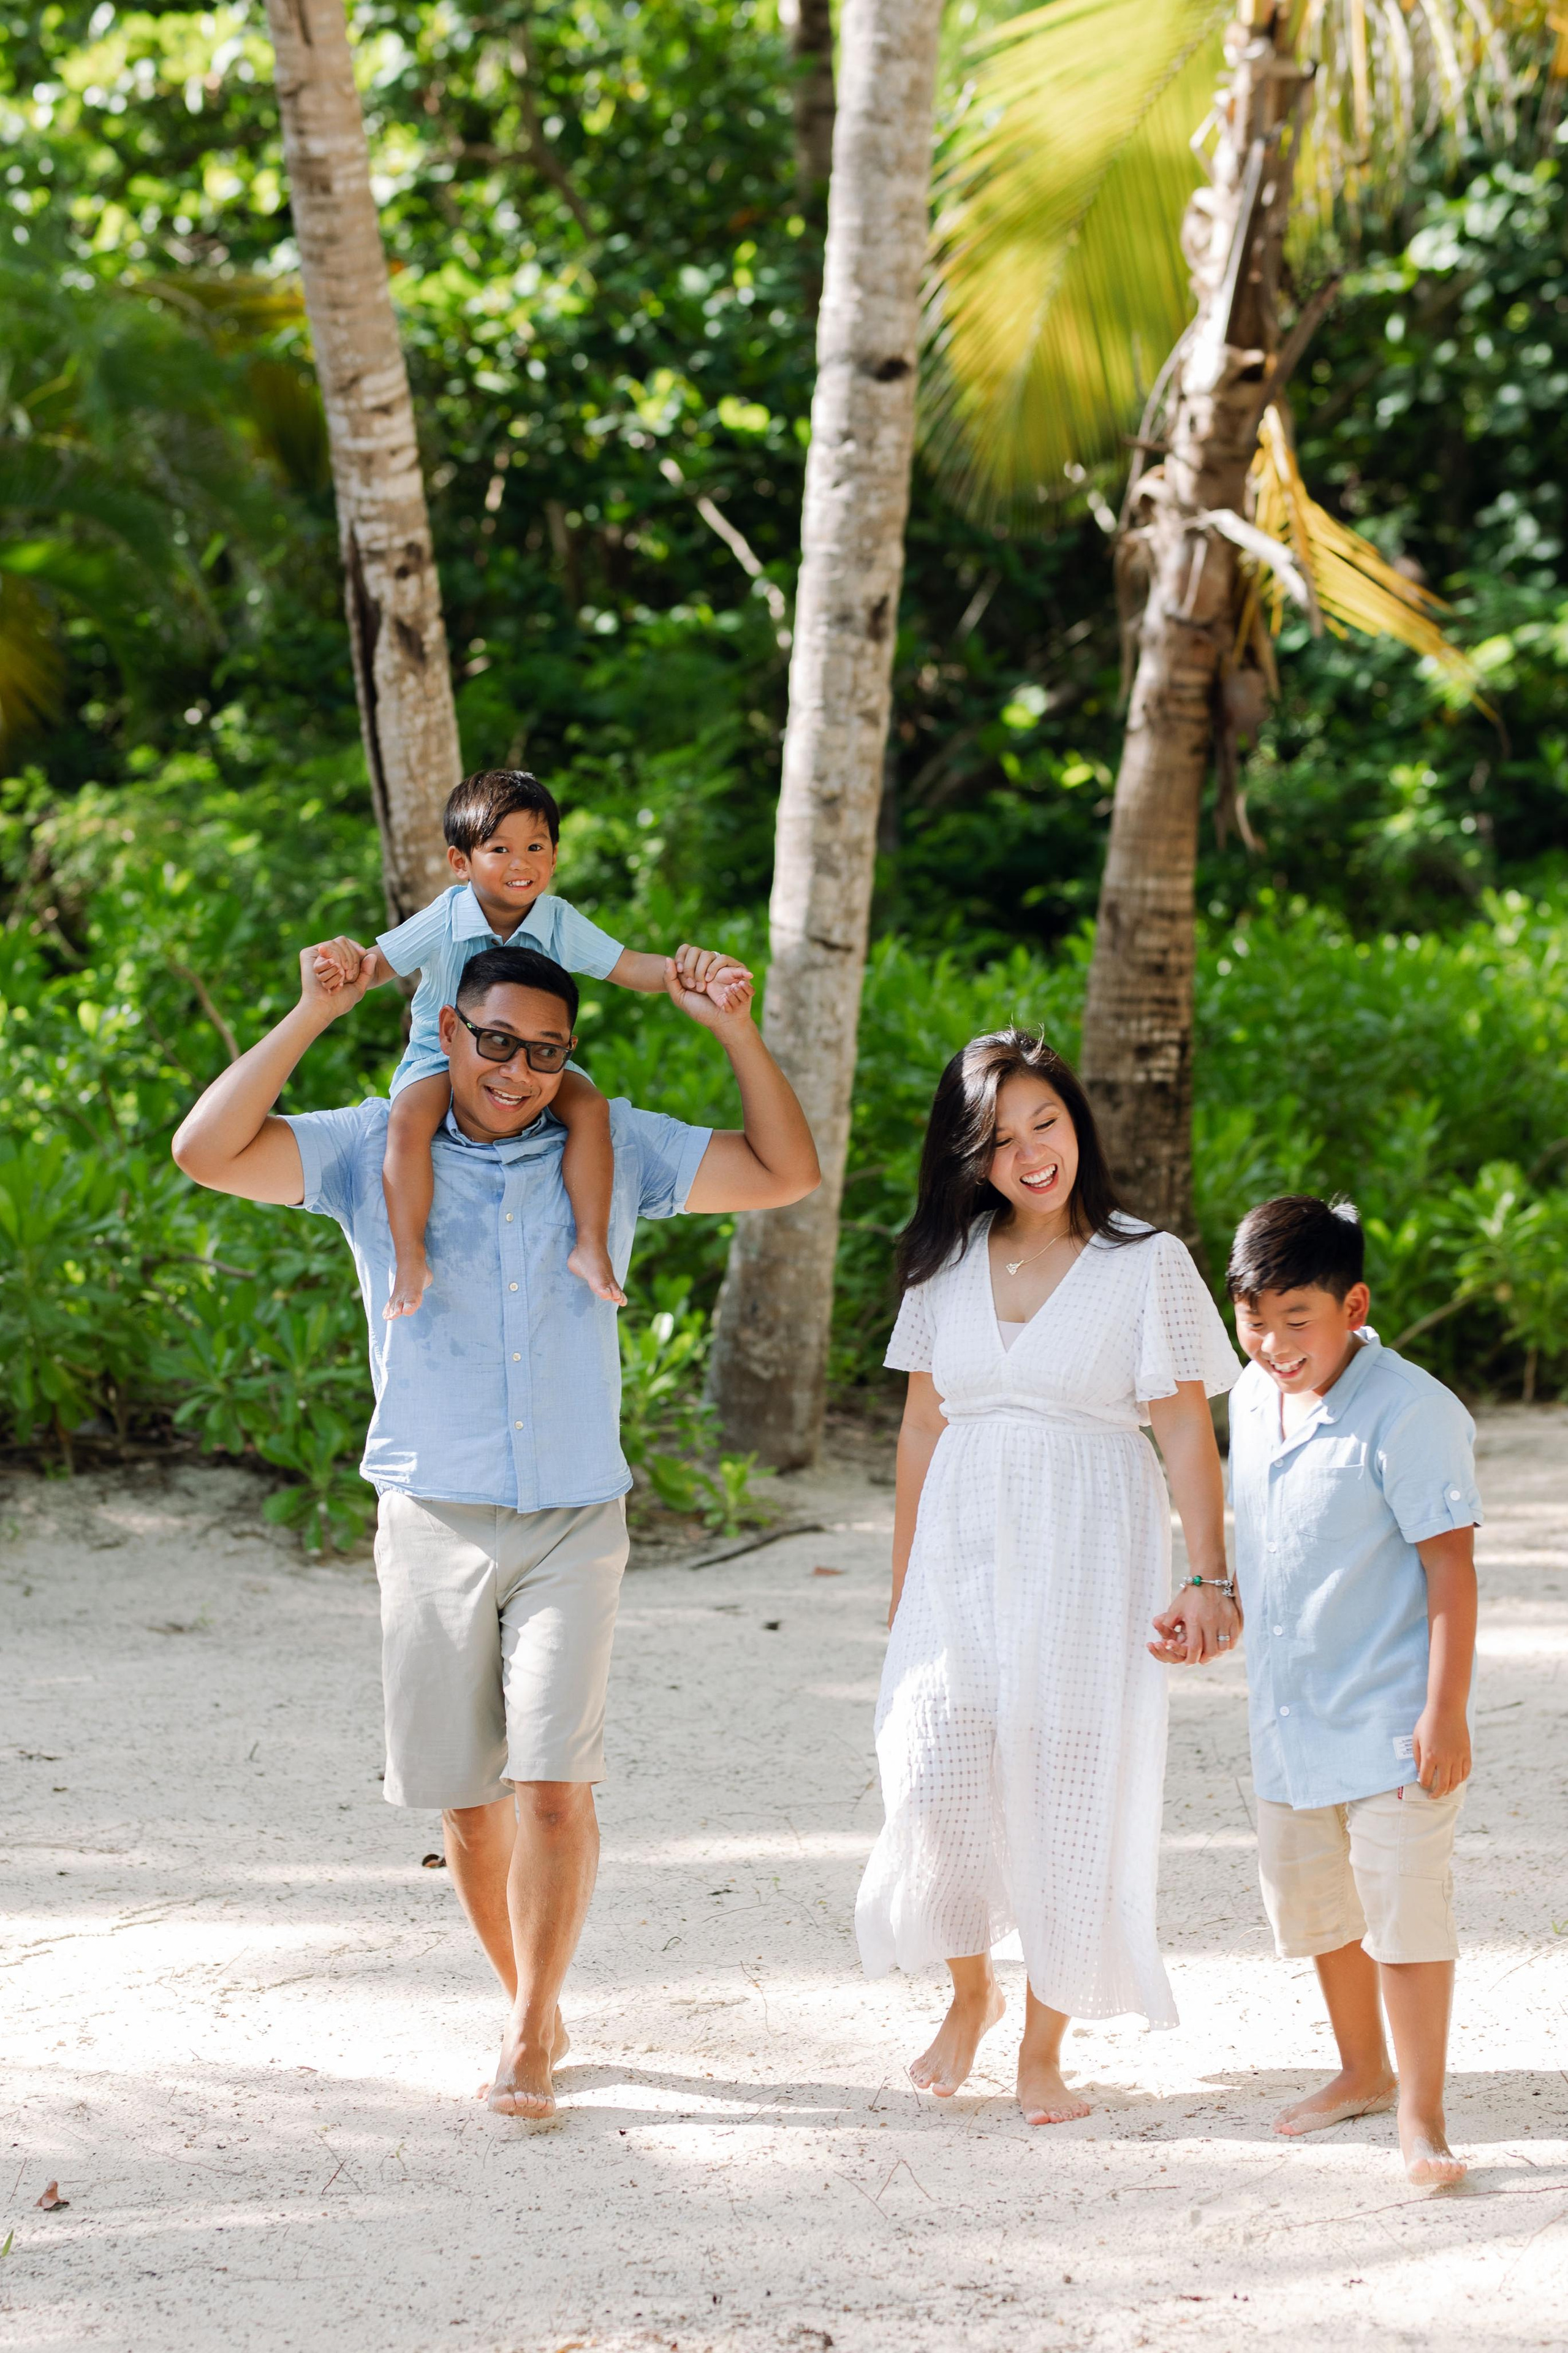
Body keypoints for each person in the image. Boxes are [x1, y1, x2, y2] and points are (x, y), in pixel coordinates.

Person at [171, 935, 818, 2121]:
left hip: (575, 1509)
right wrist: (312, 1012)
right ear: (452, 1032)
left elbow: (784, 1170)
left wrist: (725, 1023)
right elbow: (205, 1150)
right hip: (430, 1508)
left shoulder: (613, 1145)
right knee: (466, 1802)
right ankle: (533, 1989)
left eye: (546, 1050)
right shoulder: (375, 1144)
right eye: (496, 1042)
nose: (517, 1070)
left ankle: (528, 2025)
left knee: (555, 1786)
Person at [855, 1028, 1241, 2126]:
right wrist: (901, 1589)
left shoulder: (1142, 1262)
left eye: (1046, 1123)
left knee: (1073, 1784)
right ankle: (968, 1993)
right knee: (934, 1773)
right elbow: (921, 1427)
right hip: (959, 1559)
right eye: (999, 1136)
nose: (1031, 1152)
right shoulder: (944, 1264)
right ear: (964, 1155)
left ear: (1076, 1124)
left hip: (1088, 1554)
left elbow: (1182, 1432)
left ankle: (1042, 2042)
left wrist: (1208, 1576)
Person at [1220, 1195, 1480, 2188]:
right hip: (1286, 1710)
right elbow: (1267, 1537)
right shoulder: (1248, 1397)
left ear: (1352, 1303)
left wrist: (1441, 1709)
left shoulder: (1410, 1409)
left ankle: (1419, 2115)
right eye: (1253, 1317)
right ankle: (1360, 2068)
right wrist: (1212, 1602)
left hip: (1389, 1713)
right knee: (1315, 1902)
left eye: (1296, 1319)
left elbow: (1447, 1569)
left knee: (1402, 1908)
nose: (1273, 1343)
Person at [316, 767, 750, 1319]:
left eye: (535, 846)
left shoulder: (557, 920)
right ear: (461, 862)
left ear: (554, 855)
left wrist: (691, 975)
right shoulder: (444, 916)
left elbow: (627, 965)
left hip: (532, 1058)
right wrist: (345, 963)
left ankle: (591, 1245)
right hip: (440, 1055)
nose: (521, 863)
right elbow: (378, 965)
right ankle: (409, 1256)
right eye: (499, 848)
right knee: (407, 1121)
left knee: (591, 1108)